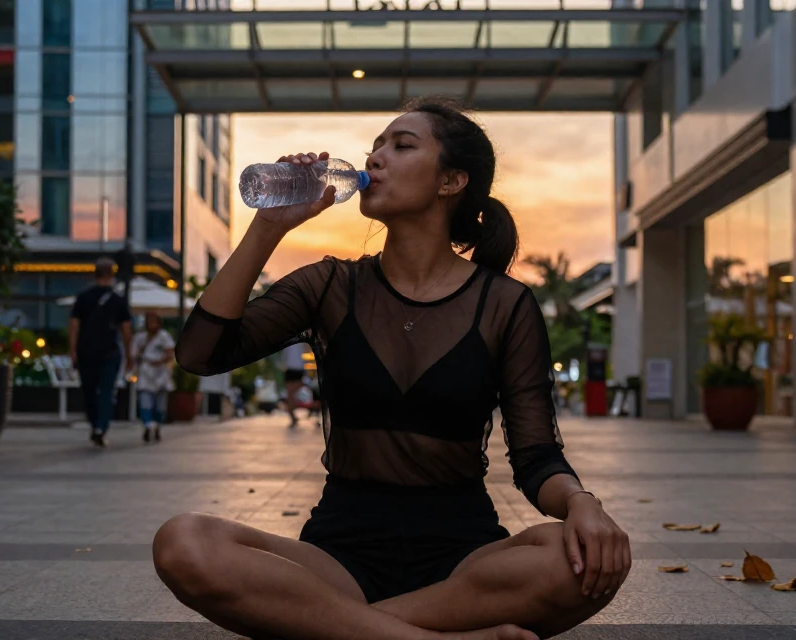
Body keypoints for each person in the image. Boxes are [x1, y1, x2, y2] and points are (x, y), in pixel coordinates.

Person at [153, 98, 630, 640]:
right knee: (182, 542)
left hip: (464, 561)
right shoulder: (330, 286)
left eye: (401, 146)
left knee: (585, 558)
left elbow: (536, 456)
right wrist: (268, 229)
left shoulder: (504, 304)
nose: (375, 158)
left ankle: (335, 630)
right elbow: (200, 355)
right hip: (336, 559)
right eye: (375, 146)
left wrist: (582, 505)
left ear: (451, 181)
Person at [69, 257, 134, 447]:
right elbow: (126, 329)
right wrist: (129, 354)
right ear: (112, 275)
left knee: (89, 391)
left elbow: (74, 325)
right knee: (106, 391)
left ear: (95, 274)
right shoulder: (118, 300)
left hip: (86, 351)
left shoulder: (83, 297)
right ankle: (101, 427)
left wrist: (72, 350)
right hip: (110, 351)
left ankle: (94, 423)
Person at [131, 311, 175, 442]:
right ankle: (147, 425)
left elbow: (170, 354)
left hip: (161, 374)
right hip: (145, 373)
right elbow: (134, 353)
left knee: (160, 405)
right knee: (145, 401)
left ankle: (157, 427)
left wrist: (159, 361)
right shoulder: (140, 337)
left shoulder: (164, 337)